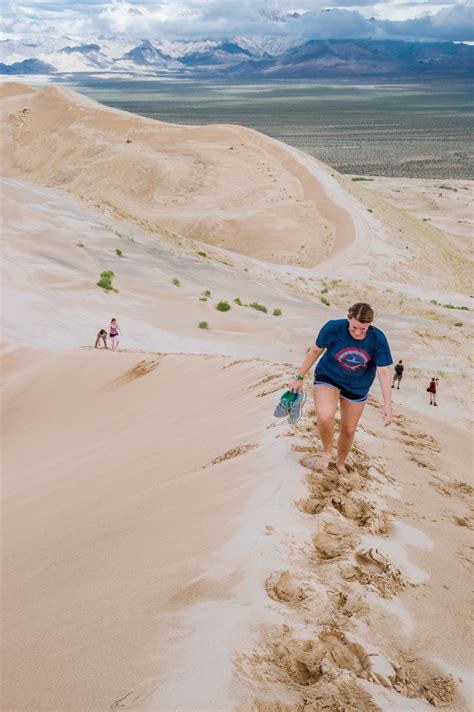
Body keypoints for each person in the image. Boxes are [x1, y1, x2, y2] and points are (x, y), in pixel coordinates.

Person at [290, 302, 393, 474]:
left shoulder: (378, 339)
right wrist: (299, 377)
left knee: (349, 429)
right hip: (328, 376)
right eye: (354, 327)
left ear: (370, 325)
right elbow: (315, 351)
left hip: (358, 384)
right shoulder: (333, 328)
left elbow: (383, 371)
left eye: (363, 329)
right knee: (325, 416)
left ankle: (340, 462)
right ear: (349, 318)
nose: (358, 332)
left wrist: (387, 404)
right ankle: (327, 453)